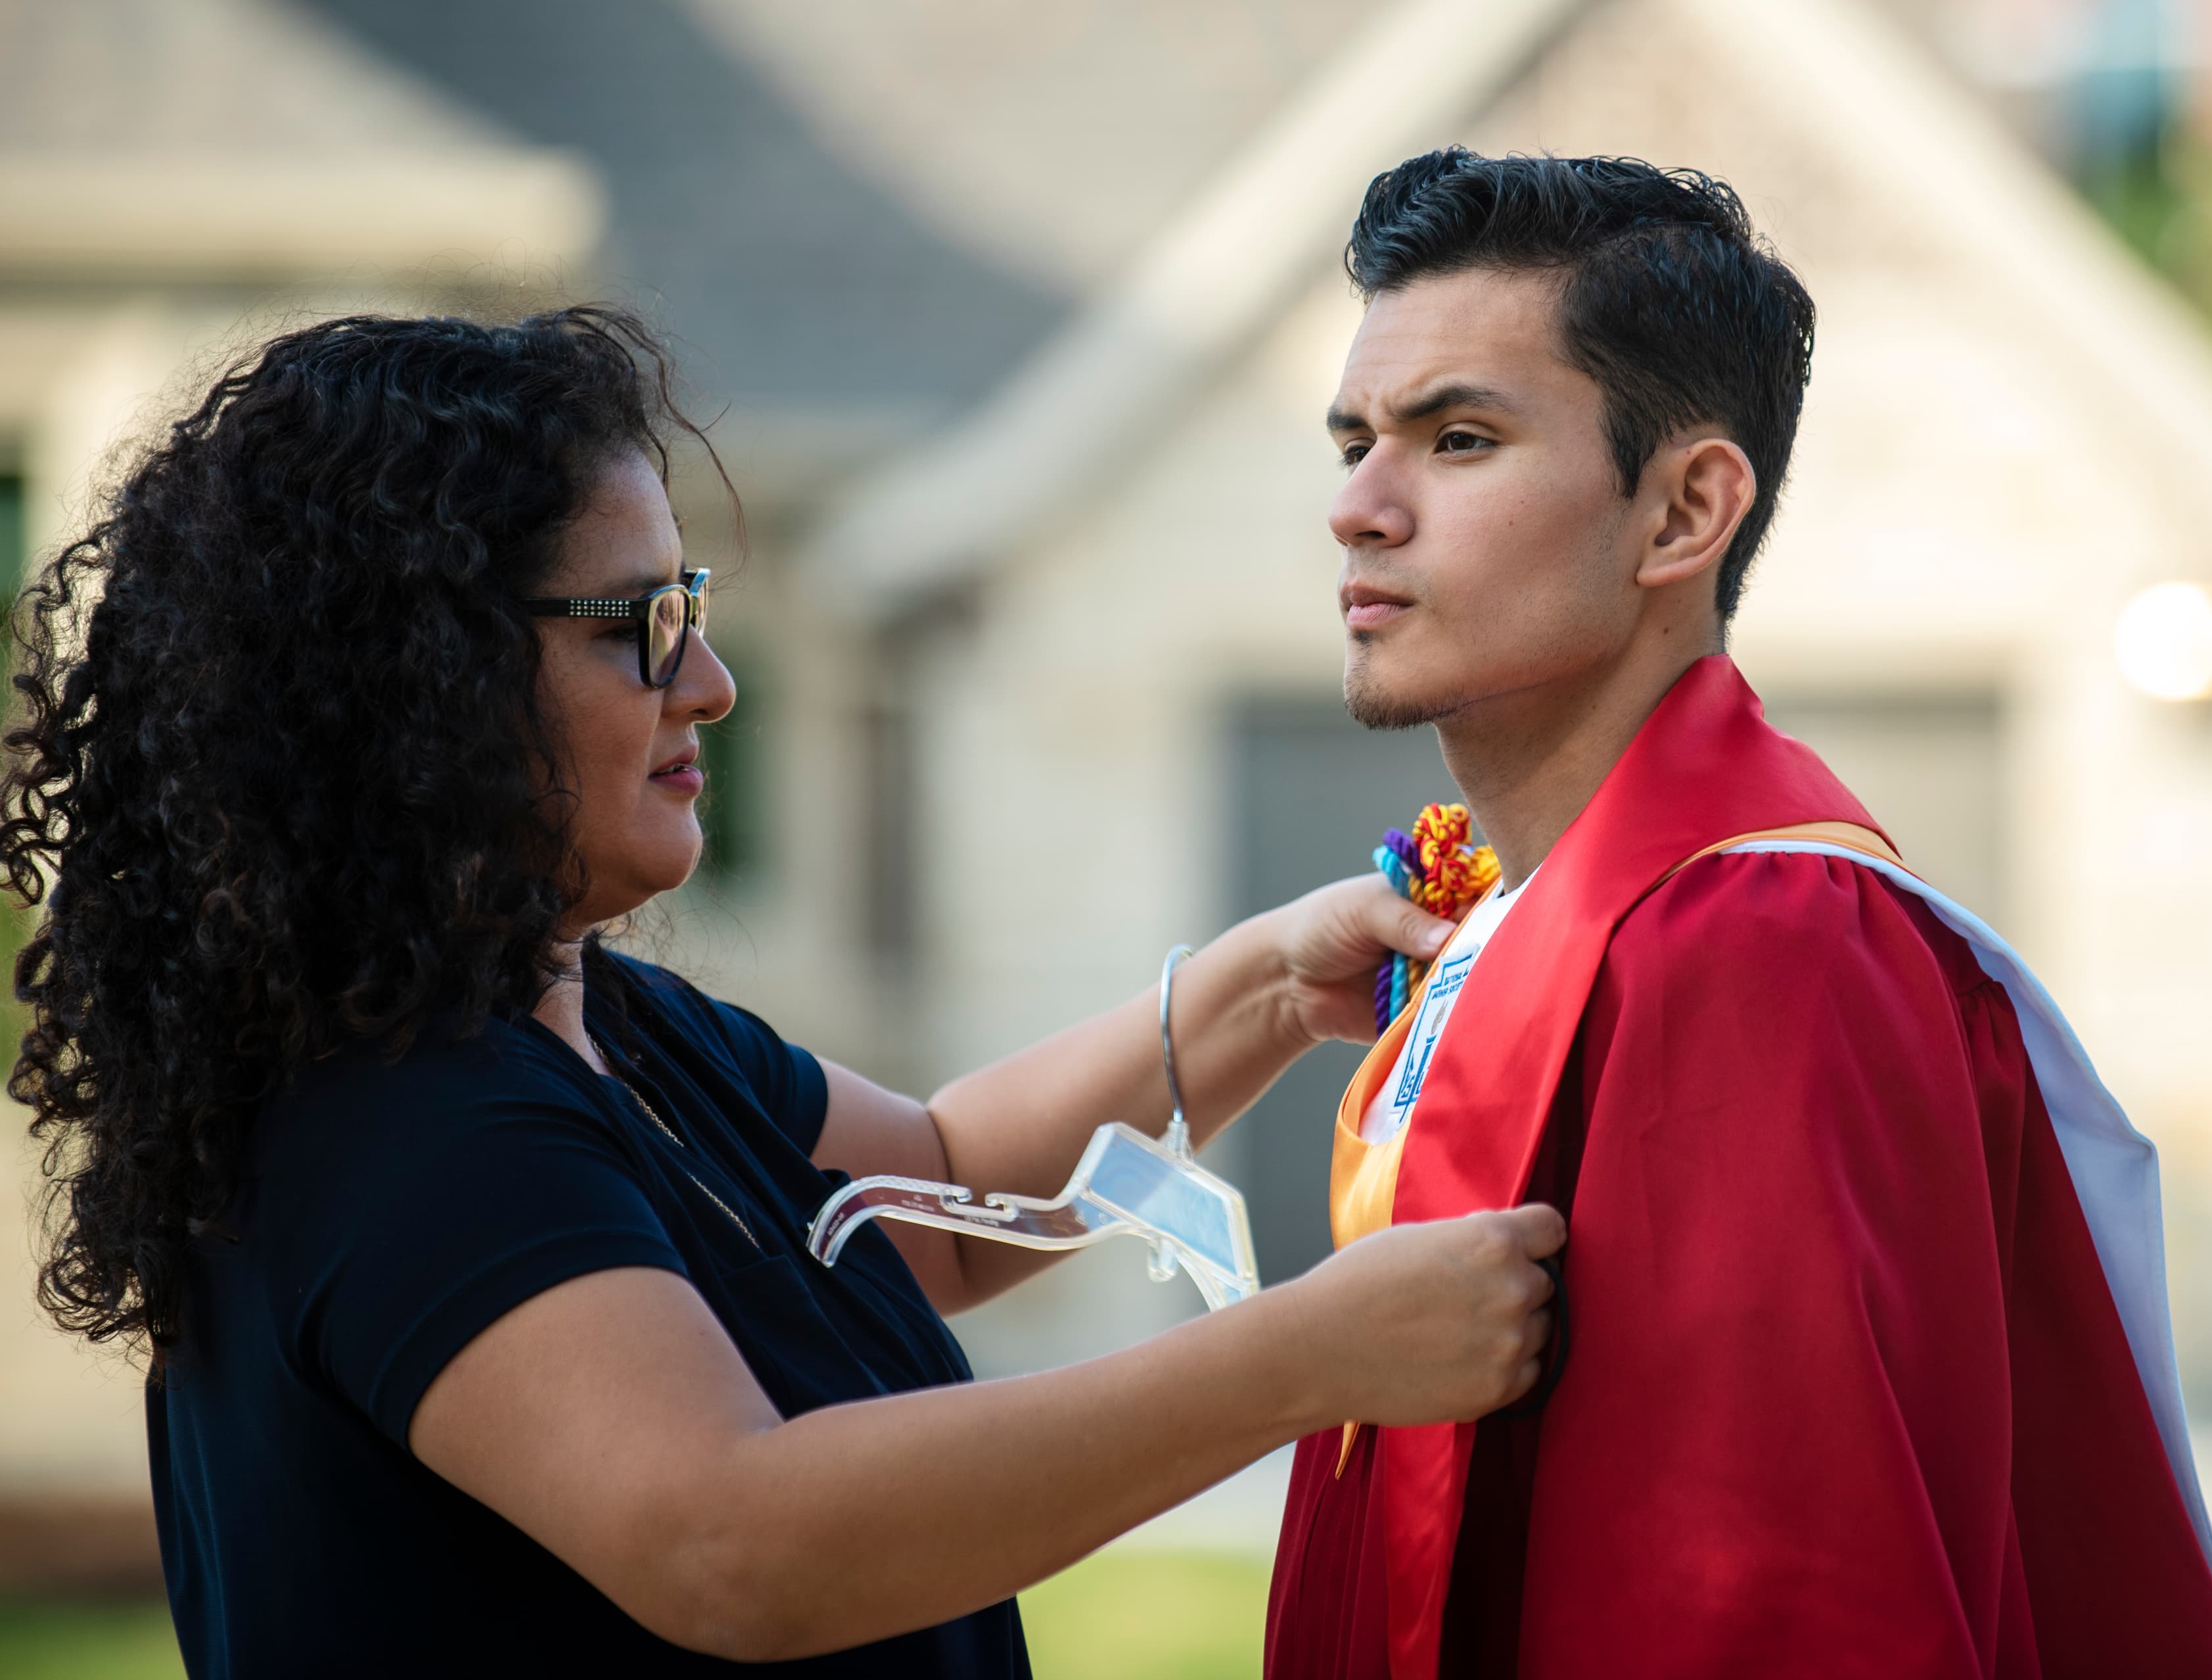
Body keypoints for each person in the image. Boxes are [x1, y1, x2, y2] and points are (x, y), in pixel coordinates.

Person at [3, 306, 1567, 1677]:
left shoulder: (602, 1024)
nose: (712, 682)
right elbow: (733, 1540)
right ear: (416, 676)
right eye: (645, 627)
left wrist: (1269, 987)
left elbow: (944, 1196)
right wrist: (1310, 1357)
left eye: (695, 609)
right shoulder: (398, 1124)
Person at [1263, 150, 2212, 1680]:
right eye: (1353, 443)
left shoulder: (1761, 939)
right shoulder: (1519, 919)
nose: (1359, 510)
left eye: (1456, 439)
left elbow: (1774, 1603)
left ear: (1683, 512)